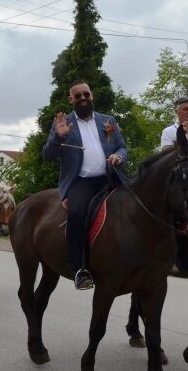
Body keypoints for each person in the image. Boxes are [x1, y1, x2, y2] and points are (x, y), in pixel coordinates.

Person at [42, 80, 127, 290]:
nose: (82, 98)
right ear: (71, 100)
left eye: (85, 94)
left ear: (92, 95)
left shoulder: (108, 121)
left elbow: (122, 147)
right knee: (77, 213)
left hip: (111, 178)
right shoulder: (64, 124)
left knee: (140, 203)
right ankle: (79, 268)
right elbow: (47, 156)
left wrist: (118, 156)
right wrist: (57, 138)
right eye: (77, 96)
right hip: (82, 182)